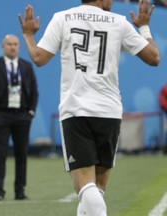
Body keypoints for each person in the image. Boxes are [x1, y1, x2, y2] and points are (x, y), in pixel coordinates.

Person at [19, 0, 159, 215]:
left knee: (84, 187)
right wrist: (144, 27)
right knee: (97, 190)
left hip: (76, 110)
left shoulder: (62, 18)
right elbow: (154, 57)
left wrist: (28, 35)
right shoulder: (118, 22)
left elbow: (39, 58)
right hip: (109, 111)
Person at [0, 34, 38, 201]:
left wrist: (31, 112)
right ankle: (0, 192)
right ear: (3, 46)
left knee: (22, 155)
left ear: (19, 47)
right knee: (0, 155)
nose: (12, 47)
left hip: (22, 115)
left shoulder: (26, 66)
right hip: (1, 115)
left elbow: (34, 90)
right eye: (9, 44)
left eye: (15, 44)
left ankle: (20, 191)